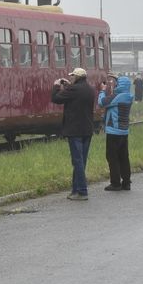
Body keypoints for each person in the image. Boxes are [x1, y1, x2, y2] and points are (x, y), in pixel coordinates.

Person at [51, 67, 97, 201]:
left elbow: (56, 98)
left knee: (77, 161)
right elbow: (76, 95)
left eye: (72, 76)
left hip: (75, 130)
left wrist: (56, 86)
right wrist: (68, 86)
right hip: (87, 130)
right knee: (81, 161)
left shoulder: (73, 90)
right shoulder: (89, 89)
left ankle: (82, 191)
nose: (71, 78)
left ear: (77, 77)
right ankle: (75, 190)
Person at [98, 74, 134, 191]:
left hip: (114, 132)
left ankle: (115, 183)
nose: (116, 84)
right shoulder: (128, 96)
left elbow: (102, 102)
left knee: (112, 157)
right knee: (124, 157)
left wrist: (102, 91)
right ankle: (126, 182)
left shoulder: (117, 97)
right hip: (124, 131)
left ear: (120, 85)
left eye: (117, 83)